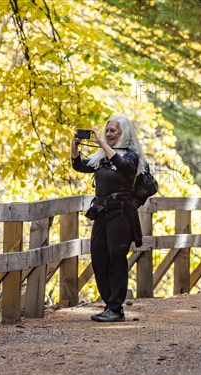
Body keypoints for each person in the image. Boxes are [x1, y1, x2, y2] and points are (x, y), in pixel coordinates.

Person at [71, 115, 146, 322]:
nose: (109, 134)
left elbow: (123, 166)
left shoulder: (131, 156)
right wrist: (74, 147)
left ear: (124, 134)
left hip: (121, 213)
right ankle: (109, 304)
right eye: (108, 130)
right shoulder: (102, 157)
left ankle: (116, 308)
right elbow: (80, 166)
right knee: (99, 257)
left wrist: (103, 145)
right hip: (102, 212)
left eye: (114, 131)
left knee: (116, 257)